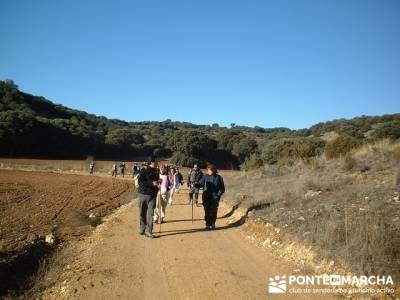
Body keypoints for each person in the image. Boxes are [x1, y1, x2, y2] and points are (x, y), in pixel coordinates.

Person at [195, 165, 225, 230]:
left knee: (213, 211)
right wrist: (196, 185)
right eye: (208, 170)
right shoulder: (205, 177)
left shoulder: (219, 178)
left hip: (215, 197)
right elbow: (200, 184)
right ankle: (208, 224)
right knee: (207, 211)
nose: (209, 171)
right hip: (206, 197)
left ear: (214, 170)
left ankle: (213, 223)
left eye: (210, 170)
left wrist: (218, 195)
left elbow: (222, 188)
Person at [137, 157, 160, 238]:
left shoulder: (157, 171)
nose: (157, 163)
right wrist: (151, 183)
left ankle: (148, 231)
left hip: (153, 196)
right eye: (156, 162)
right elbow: (140, 181)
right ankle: (142, 228)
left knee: (150, 214)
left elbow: (156, 182)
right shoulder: (143, 170)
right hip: (143, 194)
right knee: (142, 212)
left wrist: (158, 183)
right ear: (151, 162)